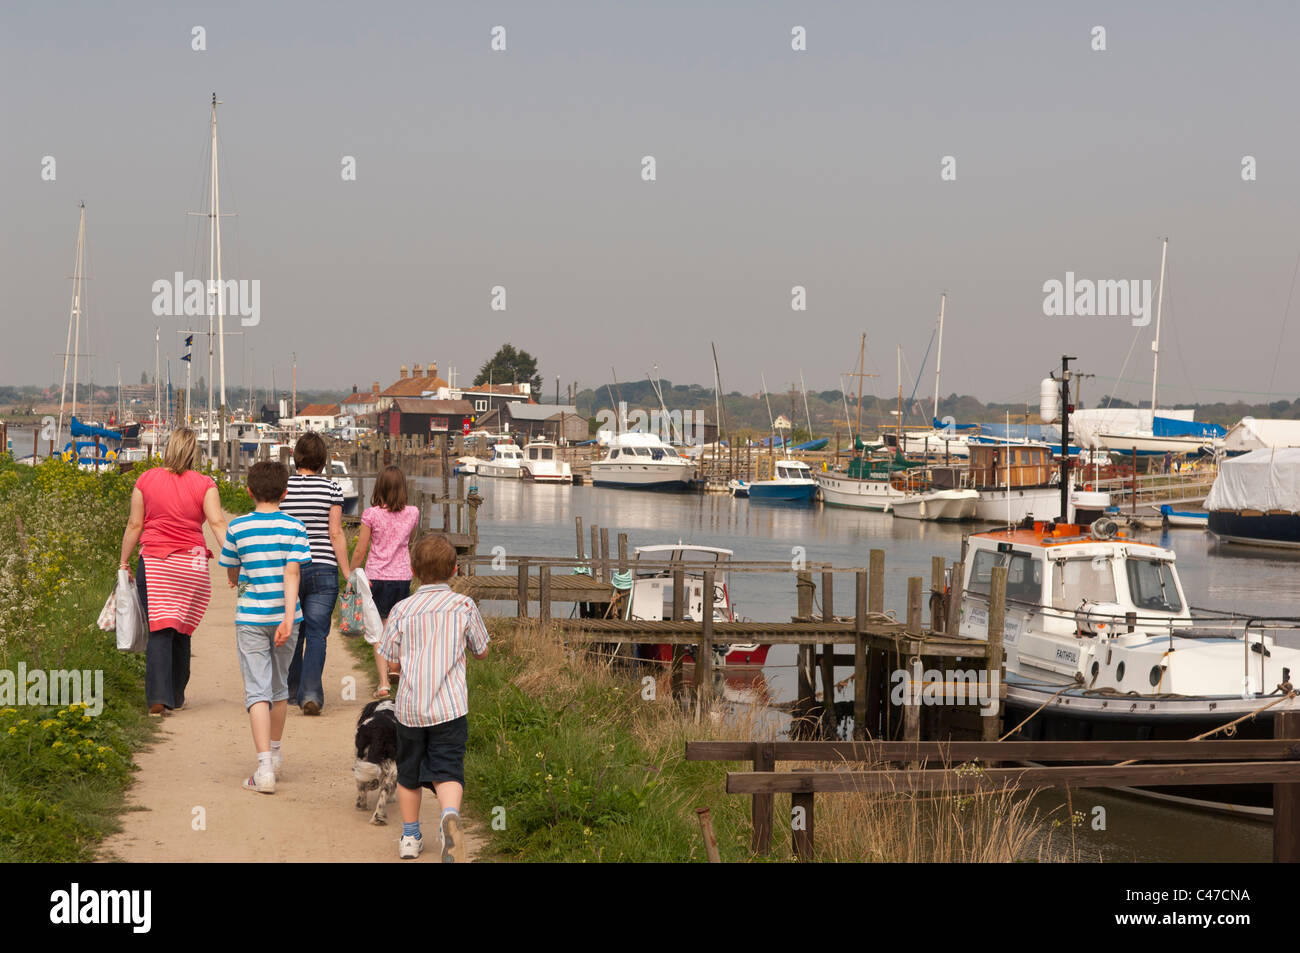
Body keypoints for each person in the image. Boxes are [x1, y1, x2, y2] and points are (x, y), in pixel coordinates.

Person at [377, 533, 489, 861]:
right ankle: (448, 818)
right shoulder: (463, 606)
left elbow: (390, 655)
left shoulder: (402, 609)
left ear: (412, 570)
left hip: (411, 709)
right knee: (448, 770)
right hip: (450, 709)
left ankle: (410, 837)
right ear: (455, 570)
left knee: (409, 772)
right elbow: (481, 651)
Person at [118, 428, 227, 716]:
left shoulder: (146, 479)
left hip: (155, 563)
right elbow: (217, 523)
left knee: (160, 629)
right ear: (195, 453)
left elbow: (134, 524)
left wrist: (123, 561)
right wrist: (235, 559)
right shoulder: (206, 484)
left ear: (168, 448)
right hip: (190, 566)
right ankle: (177, 694)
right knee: (182, 629)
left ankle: (158, 696)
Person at [217, 462, 311, 794]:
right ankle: (275, 751)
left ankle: (263, 768)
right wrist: (287, 617)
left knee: (257, 691)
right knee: (279, 687)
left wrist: (236, 579)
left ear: (249, 491)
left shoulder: (238, 528)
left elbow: (230, 568)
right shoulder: (295, 527)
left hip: (251, 619)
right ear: (285, 493)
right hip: (287, 618)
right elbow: (292, 574)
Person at [281, 432, 350, 715]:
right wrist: (348, 573)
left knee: (293, 629)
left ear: (296, 457)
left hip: (289, 568)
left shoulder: (282, 487)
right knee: (318, 633)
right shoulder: (332, 488)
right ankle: (311, 693)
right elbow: (335, 533)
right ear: (323, 460)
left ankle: (291, 690)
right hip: (323, 568)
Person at [349, 466, 420, 698]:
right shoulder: (413, 513)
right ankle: (396, 667)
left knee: (377, 630)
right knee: (396, 626)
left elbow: (361, 550)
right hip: (401, 576)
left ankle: (383, 684)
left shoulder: (371, 515)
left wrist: (351, 572)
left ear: (378, 487)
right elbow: (408, 541)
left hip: (376, 577)